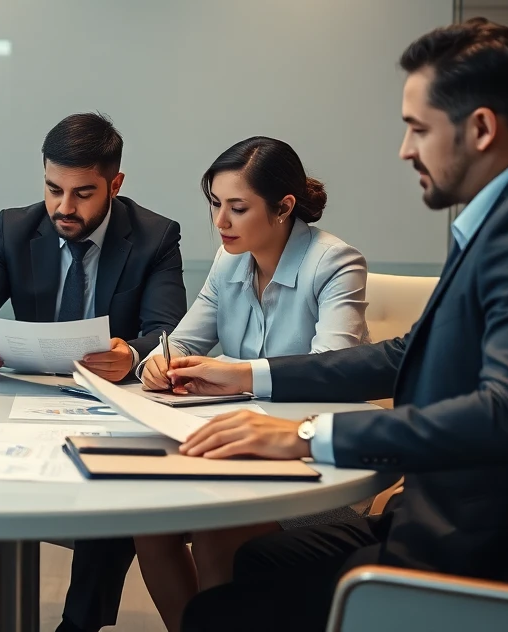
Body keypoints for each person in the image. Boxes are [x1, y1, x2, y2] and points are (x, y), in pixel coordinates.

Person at [170, 19, 508, 632]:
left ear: (482, 128)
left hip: (501, 551)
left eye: (418, 129)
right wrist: (247, 378)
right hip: (460, 518)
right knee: (256, 560)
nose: (405, 149)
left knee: (217, 613)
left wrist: (306, 434)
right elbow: (403, 354)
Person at [0, 112, 188, 632]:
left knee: (117, 479)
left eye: (83, 193)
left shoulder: (156, 236)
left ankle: (79, 623)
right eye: (53, 189)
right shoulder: (14, 228)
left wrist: (133, 356)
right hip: (23, 406)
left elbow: (169, 333)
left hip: (113, 408)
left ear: (116, 184)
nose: (63, 208)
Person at [132, 137, 369, 632]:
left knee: (218, 532)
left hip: (312, 463)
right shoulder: (228, 261)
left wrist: (238, 375)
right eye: (215, 205)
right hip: (236, 451)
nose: (221, 222)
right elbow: (179, 344)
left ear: (284, 207)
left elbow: (334, 369)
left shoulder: (335, 263)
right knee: (149, 526)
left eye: (237, 208)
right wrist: (157, 364)